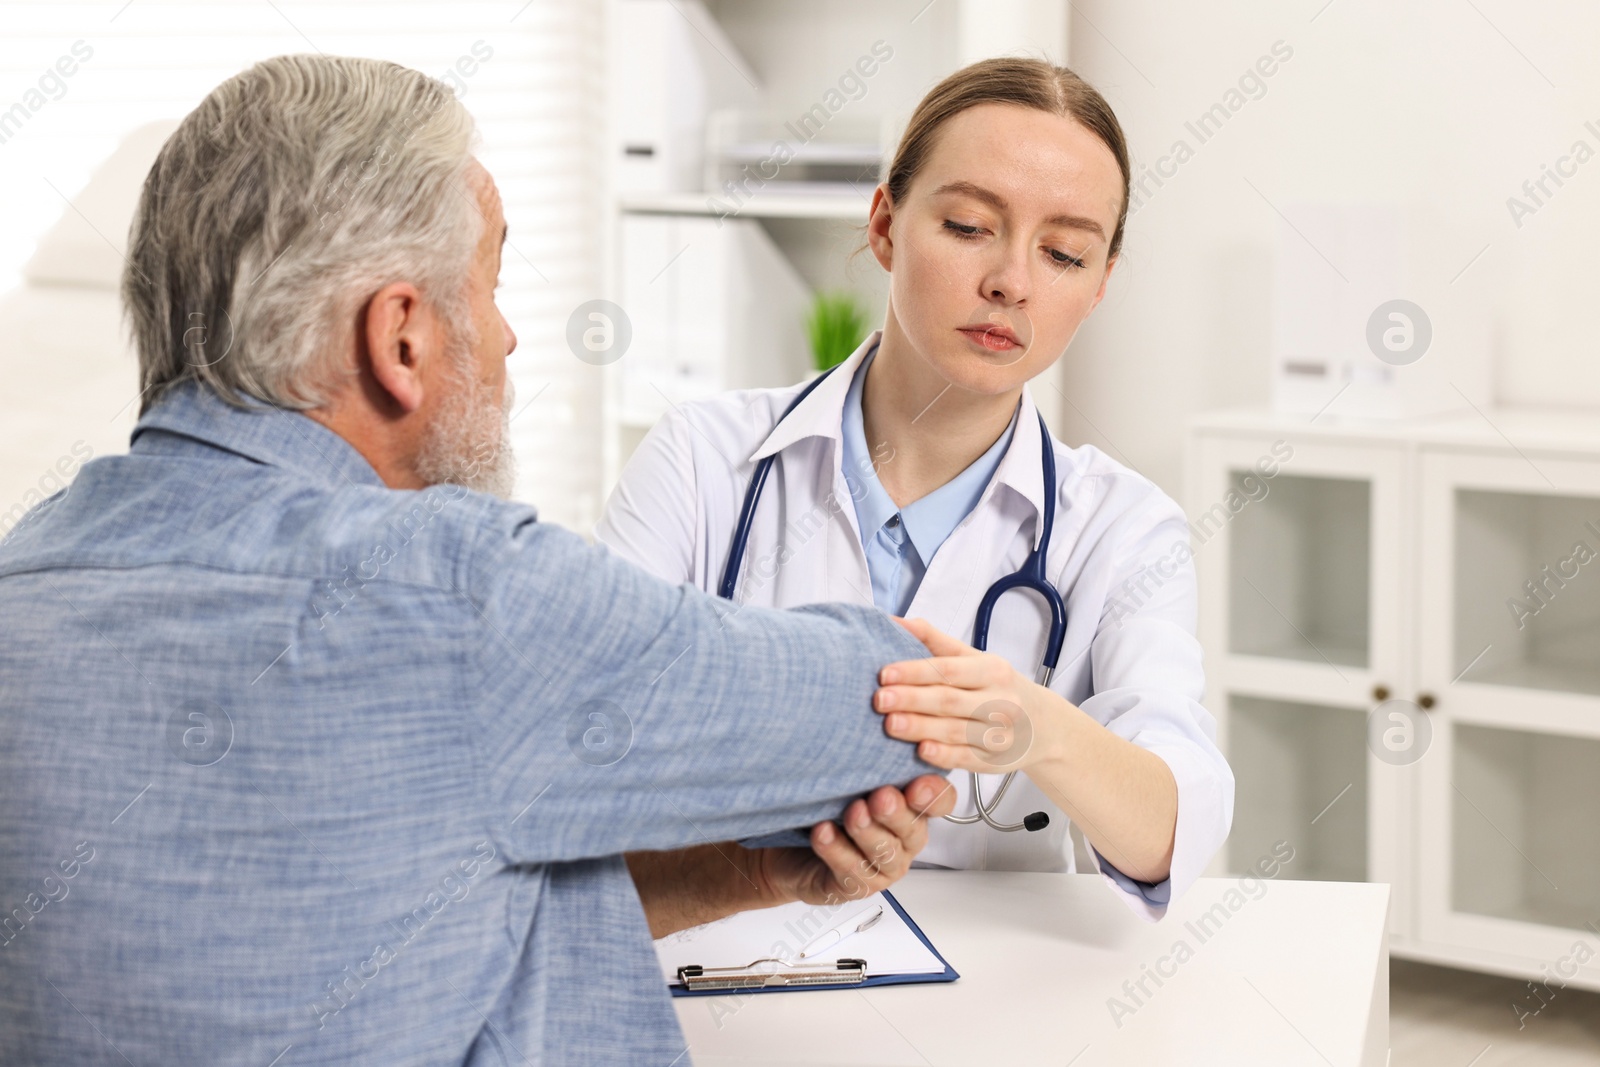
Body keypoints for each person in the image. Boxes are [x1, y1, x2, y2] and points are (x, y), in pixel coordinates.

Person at [0, 55, 958, 1066]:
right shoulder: (462, 594)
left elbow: (378, 937)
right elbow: (893, 706)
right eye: (492, 283)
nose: (504, 337)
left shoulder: (22, 581)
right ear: (400, 339)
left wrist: (746, 873)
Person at [599, 58, 1233, 922]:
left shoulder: (1122, 529)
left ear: (1099, 285)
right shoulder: (703, 465)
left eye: (1063, 252)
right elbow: (590, 756)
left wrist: (1035, 726)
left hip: (990, 1011)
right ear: (886, 224)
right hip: (721, 954)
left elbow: (1169, 829)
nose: (1012, 279)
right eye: (970, 225)